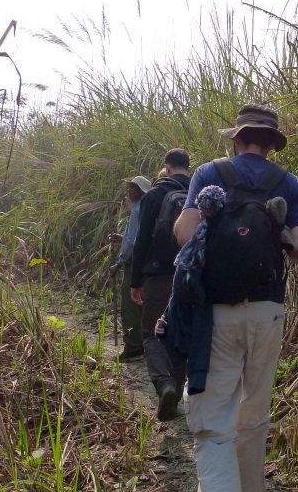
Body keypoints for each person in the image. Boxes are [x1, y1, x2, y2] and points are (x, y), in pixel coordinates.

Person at [173, 104, 298, 492]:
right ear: (272, 143)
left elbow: (184, 233)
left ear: (236, 138)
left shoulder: (209, 173)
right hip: (268, 309)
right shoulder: (289, 183)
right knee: (253, 416)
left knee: (215, 420)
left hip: (218, 312)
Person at [130, 148, 191, 420]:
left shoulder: (154, 194)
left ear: (166, 168)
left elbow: (142, 240)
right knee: (180, 335)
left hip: (157, 275)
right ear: (188, 167)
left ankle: (164, 384)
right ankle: (176, 395)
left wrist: (135, 281)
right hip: (190, 276)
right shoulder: (198, 191)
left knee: (150, 334)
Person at [106, 174, 151, 361]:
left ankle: (133, 348)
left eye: (134, 188)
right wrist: (122, 238)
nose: (130, 191)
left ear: (141, 191)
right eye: (130, 187)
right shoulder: (149, 208)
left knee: (130, 304)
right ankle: (145, 345)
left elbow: (132, 243)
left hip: (134, 263)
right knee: (143, 303)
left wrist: (119, 263)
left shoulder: (138, 208)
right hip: (148, 262)